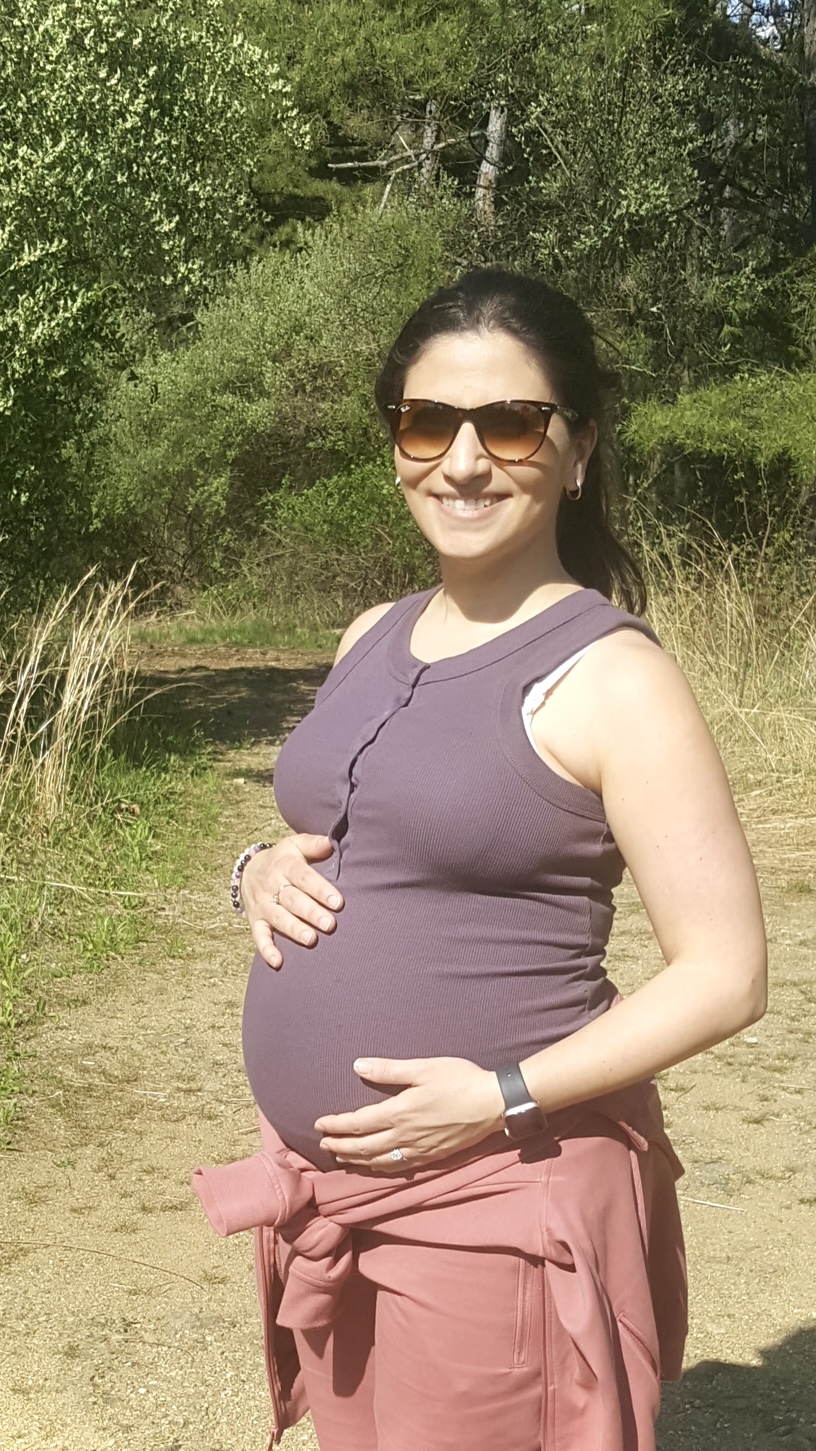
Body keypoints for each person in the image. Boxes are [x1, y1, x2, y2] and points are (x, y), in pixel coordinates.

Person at [192, 269, 767, 1451]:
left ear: (578, 447)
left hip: (494, 1193)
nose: (462, 458)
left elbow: (727, 972)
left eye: (509, 422)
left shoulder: (613, 678)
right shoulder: (372, 633)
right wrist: (252, 864)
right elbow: (359, 829)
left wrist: (498, 1094)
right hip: (333, 1192)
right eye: (425, 421)